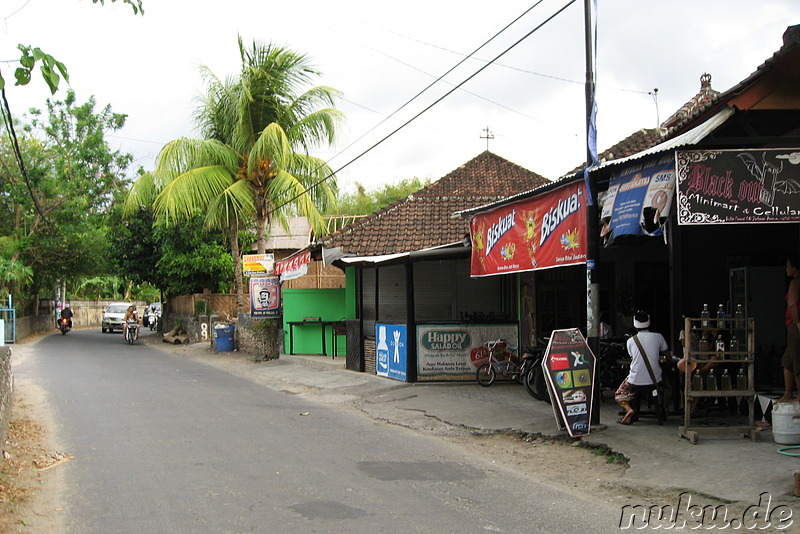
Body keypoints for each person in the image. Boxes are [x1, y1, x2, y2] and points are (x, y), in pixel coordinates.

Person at [615, 310, 671, 425]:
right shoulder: (658, 337)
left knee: (619, 394)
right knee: (667, 383)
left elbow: (634, 357)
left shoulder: (631, 341)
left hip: (635, 379)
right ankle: (663, 409)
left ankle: (629, 409)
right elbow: (668, 357)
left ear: (635, 324)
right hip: (655, 379)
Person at [777, 256, 800, 403]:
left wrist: (797, 323)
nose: (786, 269)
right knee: (787, 359)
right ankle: (788, 392)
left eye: (788, 266)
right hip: (792, 323)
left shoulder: (795, 282)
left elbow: (792, 304)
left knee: (796, 358)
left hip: (794, 323)